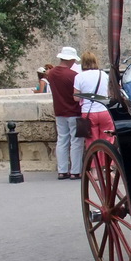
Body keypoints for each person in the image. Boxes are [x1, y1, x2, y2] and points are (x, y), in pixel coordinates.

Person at [46, 46, 84, 180]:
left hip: (59, 111)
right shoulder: (73, 75)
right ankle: (75, 170)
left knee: (62, 140)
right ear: (71, 59)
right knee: (76, 142)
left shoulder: (50, 74)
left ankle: (62, 170)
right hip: (73, 111)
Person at [73, 51, 114, 144]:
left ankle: (95, 159)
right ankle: (107, 158)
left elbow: (76, 98)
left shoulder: (79, 77)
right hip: (104, 110)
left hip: (88, 112)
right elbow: (109, 94)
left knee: (92, 142)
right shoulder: (103, 75)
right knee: (108, 141)